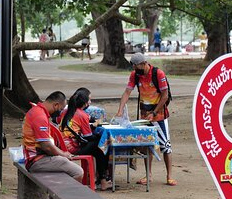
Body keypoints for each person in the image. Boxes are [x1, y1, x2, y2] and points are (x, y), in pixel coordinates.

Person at [116, 53, 177, 186]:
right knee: (147, 145)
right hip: (144, 115)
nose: (134, 68)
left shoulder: (158, 74)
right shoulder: (135, 75)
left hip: (159, 114)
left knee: (165, 145)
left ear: (144, 63)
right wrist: (120, 109)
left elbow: (165, 95)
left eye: (136, 65)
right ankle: (148, 175)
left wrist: (154, 112)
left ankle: (169, 176)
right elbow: (127, 92)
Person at [22, 91, 84, 182]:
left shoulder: (36, 110)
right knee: (78, 172)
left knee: (66, 164)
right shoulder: (40, 116)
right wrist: (63, 154)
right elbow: (46, 146)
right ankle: (63, 195)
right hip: (37, 160)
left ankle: (58, 194)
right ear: (56, 105)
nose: (60, 112)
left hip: (35, 158)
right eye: (61, 109)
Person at [60, 88, 111, 191]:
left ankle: (97, 178)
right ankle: (103, 180)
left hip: (63, 145)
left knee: (98, 146)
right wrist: (96, 131)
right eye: (89, 100)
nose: (90, 102)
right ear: (84, 102)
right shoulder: (81, 114)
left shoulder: (66, 111)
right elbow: (88, 136)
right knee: (102, 145)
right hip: (73, 148)